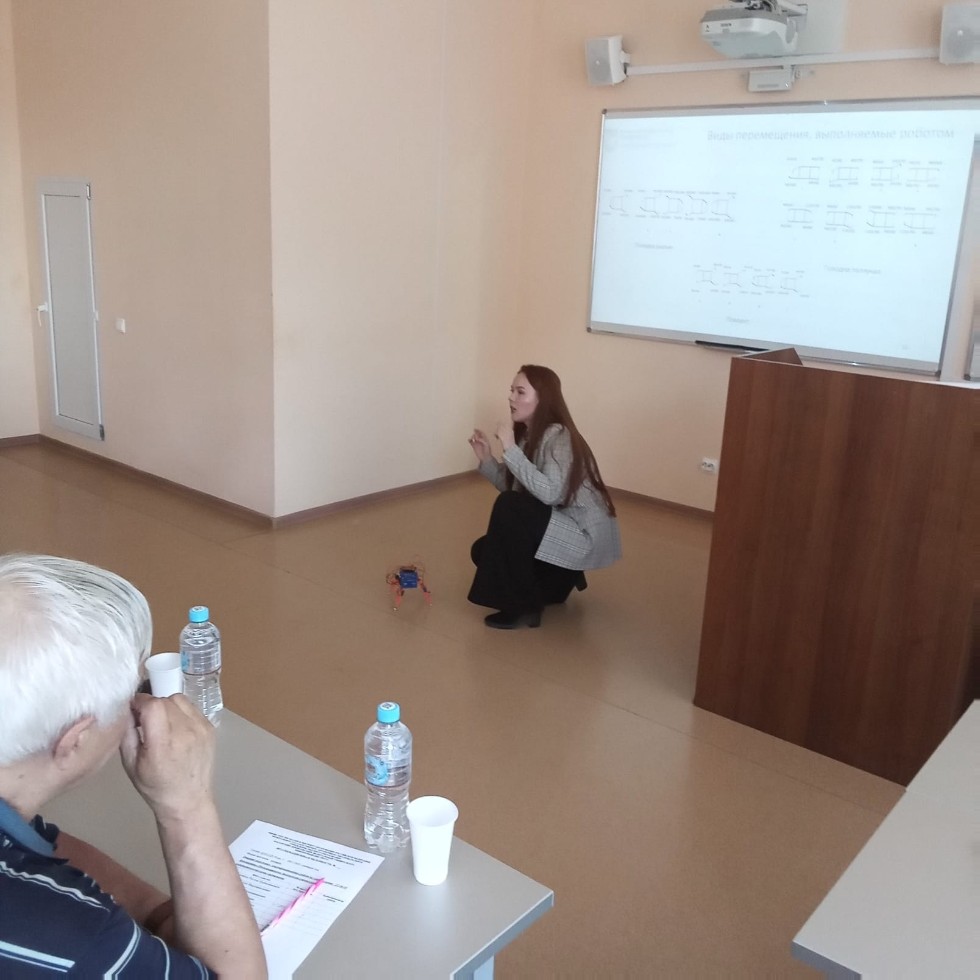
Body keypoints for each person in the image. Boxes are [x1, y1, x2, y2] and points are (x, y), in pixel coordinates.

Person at [0, 553, 266, 979]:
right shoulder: (73, 937)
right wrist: (186, 807)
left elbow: (40, 842)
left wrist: (159, 916)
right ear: (75, 740)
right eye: (132, 692)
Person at [467, 364, 621, 629]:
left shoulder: (559, 435)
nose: (511, 398)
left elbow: (549, 493)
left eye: (520, 392)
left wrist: (510, 448)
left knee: (509, 508)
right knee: (483, 550)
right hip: (557, 526)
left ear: (543, 399)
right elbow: (518, 488)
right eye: (511, 391)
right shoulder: (530, 435)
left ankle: (521, 607)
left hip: (580, 534)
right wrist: (487, 459)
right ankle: (557, 583)